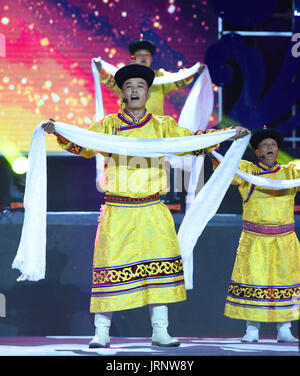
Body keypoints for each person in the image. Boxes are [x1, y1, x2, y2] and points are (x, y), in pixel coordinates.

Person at [42, 63, 249, 348]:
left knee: (159, 270)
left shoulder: (163, 126)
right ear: (123, 94)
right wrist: (58, 130)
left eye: (140, 86)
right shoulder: (108, 126)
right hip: (118, 211)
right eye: (128, 86)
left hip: (152, 209)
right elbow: (83, 144)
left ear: (148, 92)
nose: (135, 90)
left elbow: (191, 141)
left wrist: (227, 134)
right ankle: (102, 332)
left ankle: (160, 330)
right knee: (110, 267)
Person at [210, 126, 300, 343]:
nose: (270, 148)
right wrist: (214, 145)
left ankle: (285, 328)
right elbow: (223, 168)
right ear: (257, 151)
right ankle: (252, 329)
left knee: (284, 281)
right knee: (253, 282)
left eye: (273, 145)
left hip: (284, 239)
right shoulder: (246, 171)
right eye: (265, 145)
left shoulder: (290, 172)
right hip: (255, 239)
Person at [93, 34, 205, 116]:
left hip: (155, 132)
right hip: (128, 130)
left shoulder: (160, 76)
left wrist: (195, 72)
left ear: (151, 58)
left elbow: (180, 80)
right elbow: (109, 81)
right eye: (139, 55)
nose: (143, 58)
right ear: (133, 58)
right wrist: (100, 68)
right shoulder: (124, 76)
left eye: (147, 55)